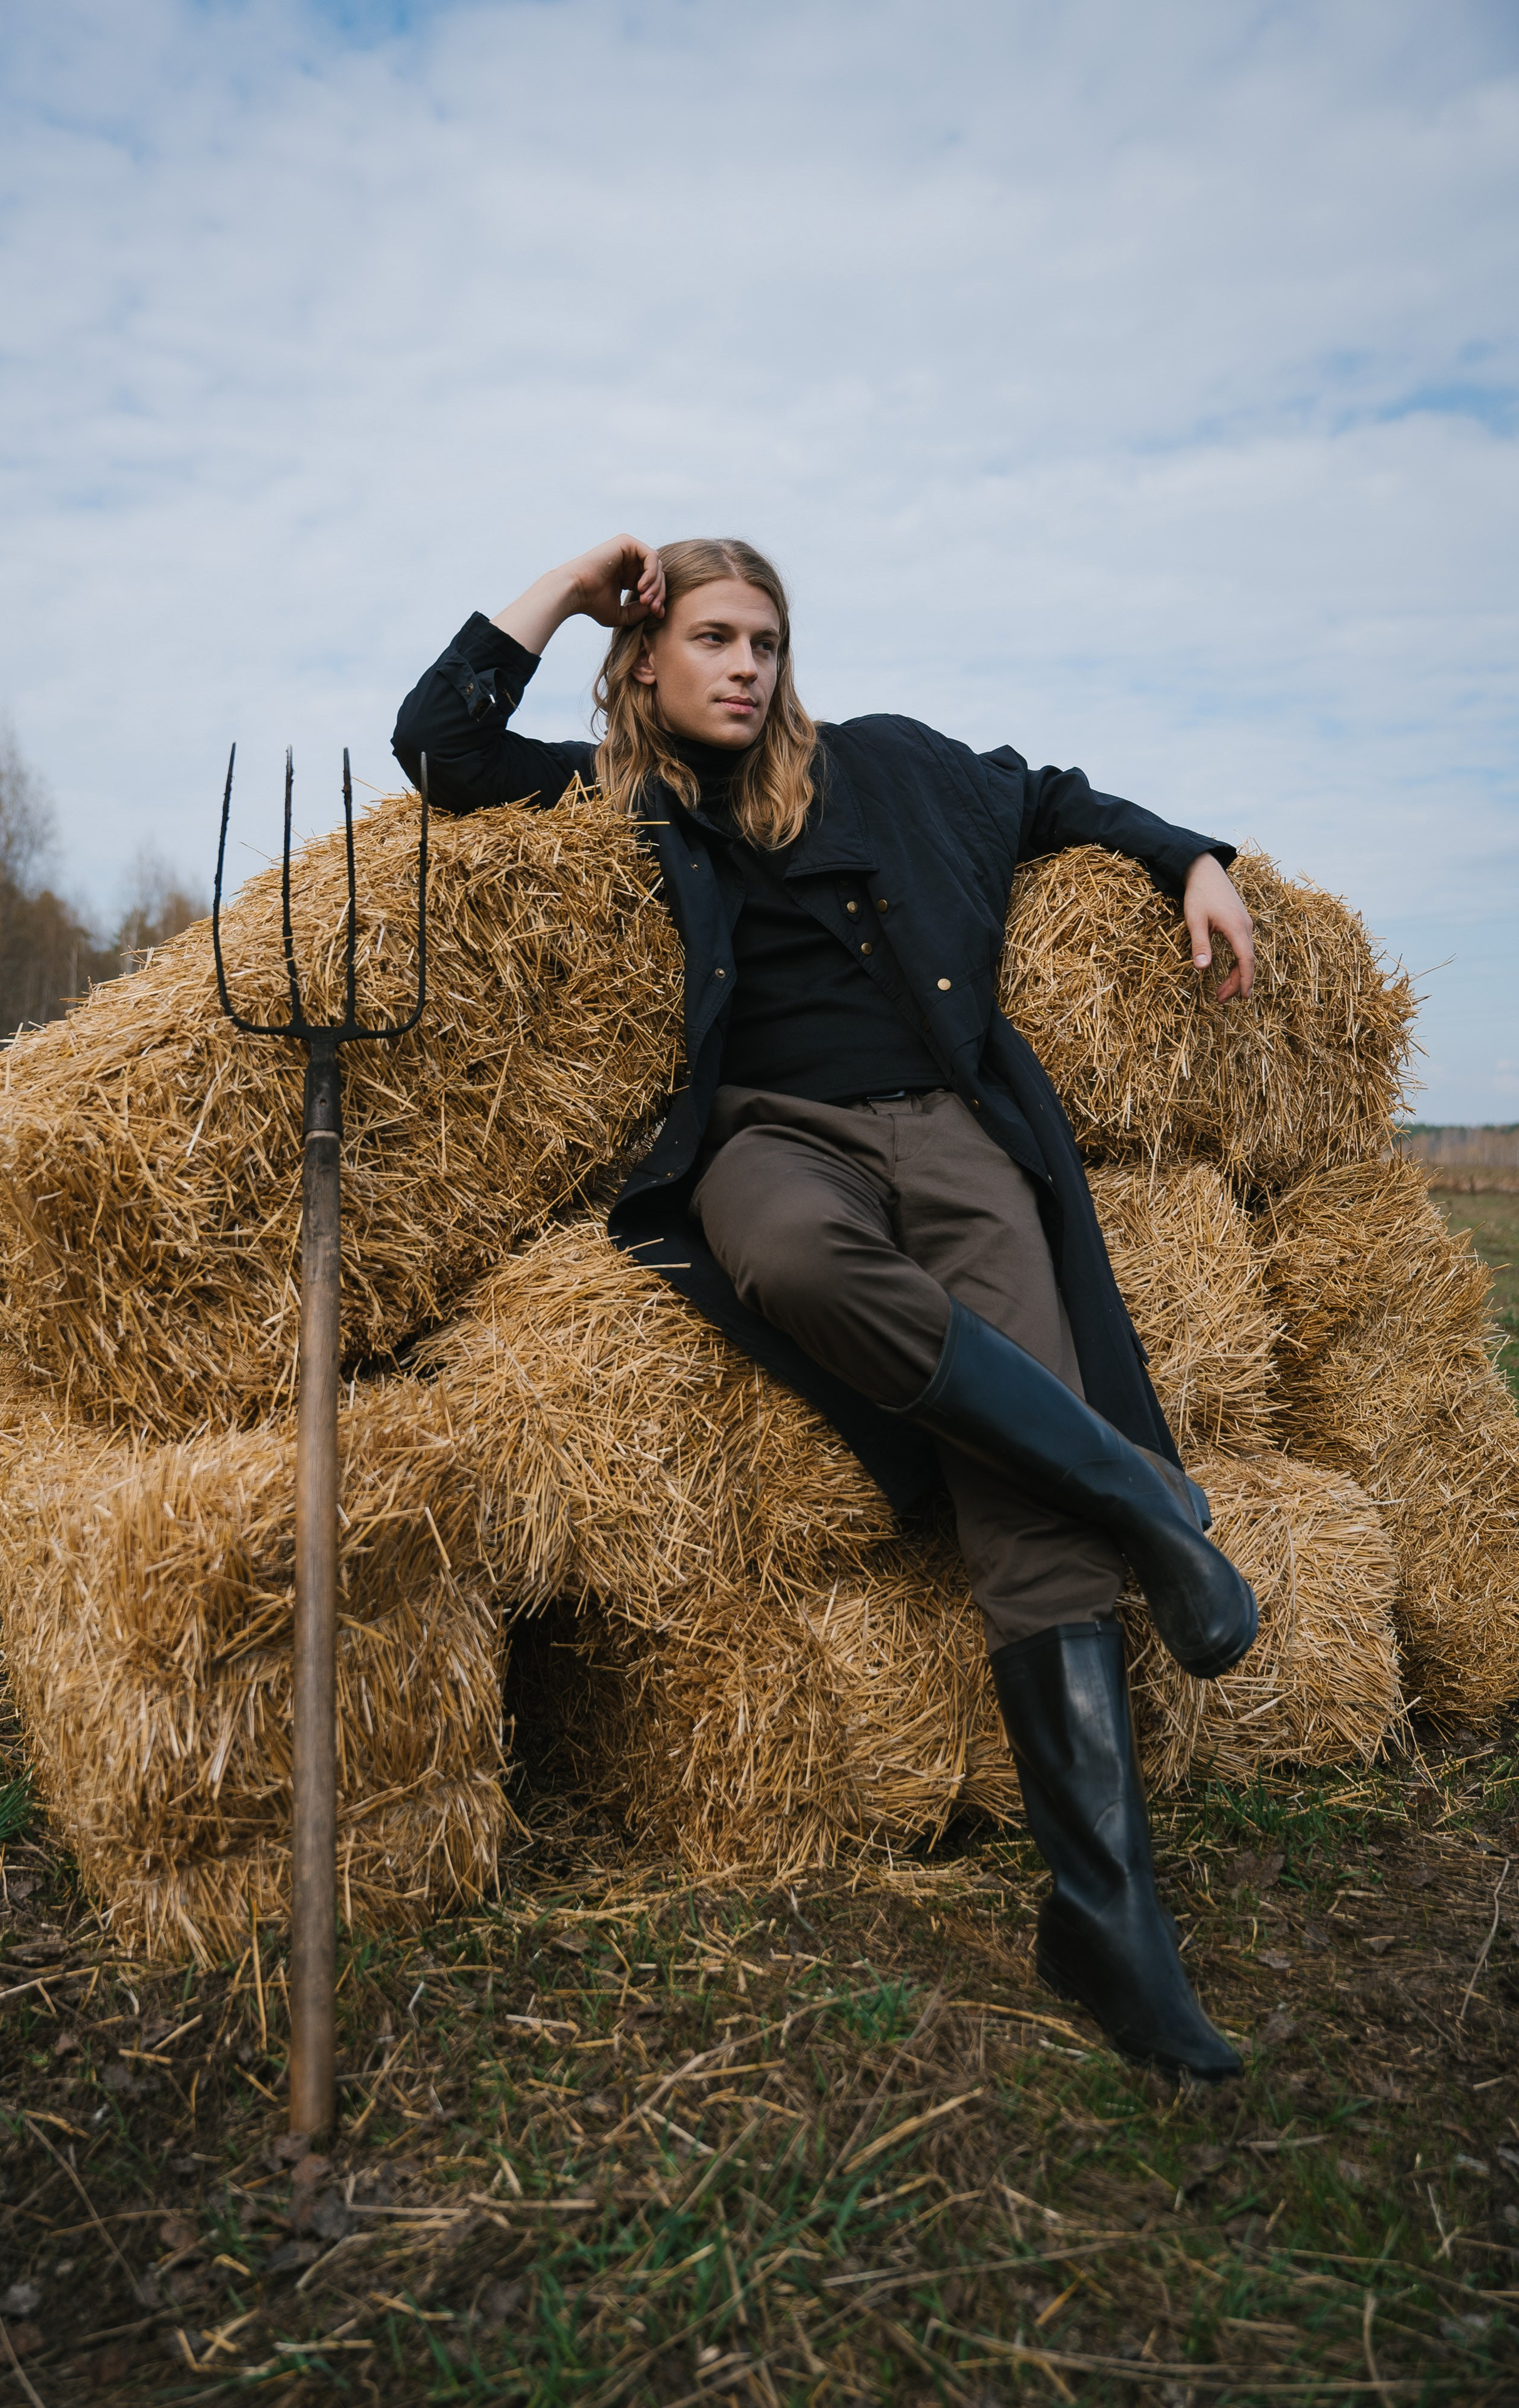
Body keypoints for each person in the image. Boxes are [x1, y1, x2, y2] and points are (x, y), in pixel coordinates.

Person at [394, 533, 1259, 2081]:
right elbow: (440, 743)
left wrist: (1194, 857)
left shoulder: (890, 768)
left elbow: (1051, 795)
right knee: (788, 1258)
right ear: (649, 660)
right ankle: (1142, 1495)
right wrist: (560, 586)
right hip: (768, 1137)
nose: (743, 667)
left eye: (767, 643)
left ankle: (1107, 1919)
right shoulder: (618, 796)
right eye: (714, 639)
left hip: (948, 1125)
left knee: (1019, 1499)